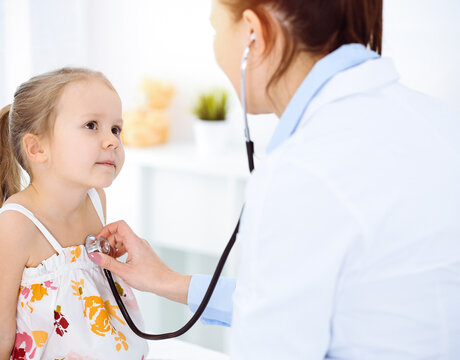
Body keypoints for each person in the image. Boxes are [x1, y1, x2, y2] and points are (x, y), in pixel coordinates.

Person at [90, 0, 460, 358]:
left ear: (253, 33)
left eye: (216, 28)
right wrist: (170, 280)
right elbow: (336, 302)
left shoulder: (301, 171)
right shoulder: (441, 124)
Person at [0, 68, 149, 359]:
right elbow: (2, 329)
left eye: (116, 129)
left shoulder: (95, 199)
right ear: (37, 147)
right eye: (92, 125)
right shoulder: (16, 224)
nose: (113, 141)